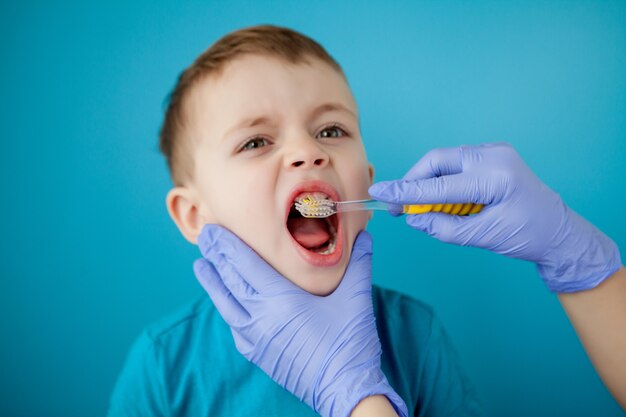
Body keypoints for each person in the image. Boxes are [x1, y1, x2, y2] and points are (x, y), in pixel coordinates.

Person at [107, 25, 482, 417]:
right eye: (256, 142)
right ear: (195, 215)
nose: (308, 150)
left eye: (330, 130)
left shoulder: (415, 335)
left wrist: (353, 392)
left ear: (368, 184)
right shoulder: (163, 364)